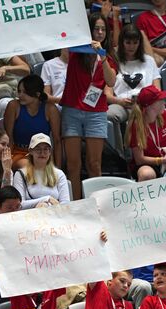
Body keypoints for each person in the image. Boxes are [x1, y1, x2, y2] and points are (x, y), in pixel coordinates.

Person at [59, 13, 117, 200]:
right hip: (72, 110)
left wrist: (102, 57)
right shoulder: (76, 52)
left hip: (96, 112)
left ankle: (97, 204)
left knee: (94, 164)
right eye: (96, 29)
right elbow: (65, 33)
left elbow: (111, 81)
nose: (99, 33)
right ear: (88, 31)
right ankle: (76, 204)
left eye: (103, 29)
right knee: (73, 165)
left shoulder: (107, 56)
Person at [106, 24, 161, 156]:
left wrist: (144, 100)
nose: (131, 46)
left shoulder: (149, 61)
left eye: (135, 42)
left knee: (146, 114)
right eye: (128, 42)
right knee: (109, 114)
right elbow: (107, 94)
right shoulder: (114, 61)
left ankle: (151, 152)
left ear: (140, 43)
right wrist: (119, 101)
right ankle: (120, 155)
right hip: (122, 104)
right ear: (122, 42)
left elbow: (157, 90)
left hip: (146, 105)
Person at [124, 85, 166, 182]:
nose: (164, 103)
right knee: (147, 174)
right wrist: (162, 160)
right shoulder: (136, 125)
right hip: (147, 164)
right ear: (150, 105)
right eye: (160, 100)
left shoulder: (164, 115)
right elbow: (139, 159)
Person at [4, 75, 62, 169]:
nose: (20, 95)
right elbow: (8, 137)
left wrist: (58, 170)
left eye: (25, 92)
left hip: (43, 154)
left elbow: (57, 141)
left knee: (44, 168)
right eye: (19, 91)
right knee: (29, 166)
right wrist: (7, 166)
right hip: (19, 153)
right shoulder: (13, 106)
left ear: (37, 94)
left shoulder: (50, 109)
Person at [12, 133, 70, 209]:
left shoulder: (59, 174)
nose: (42, 153)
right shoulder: (20, 174)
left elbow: (66, 203)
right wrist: (46, 199)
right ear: (31, 151)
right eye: (38, 149)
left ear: (50, 152)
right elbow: (19, 205)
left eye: (46, 149)